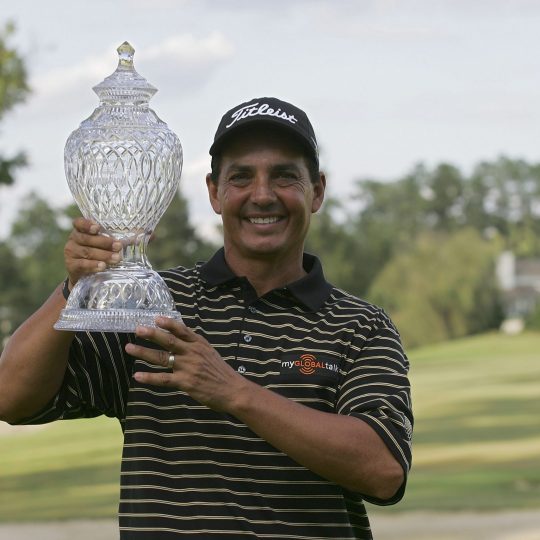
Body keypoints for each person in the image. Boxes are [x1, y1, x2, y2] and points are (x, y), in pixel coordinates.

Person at [0, 97, 413, 539]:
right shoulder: (153, 304)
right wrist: (74, 288)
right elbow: (11, 397)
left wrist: (231, 390)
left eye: (285, 176)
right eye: (241, 177)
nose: (262, 195)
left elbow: (383, 471)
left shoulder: (361, 326)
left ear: (318, 191)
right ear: (215, 192)